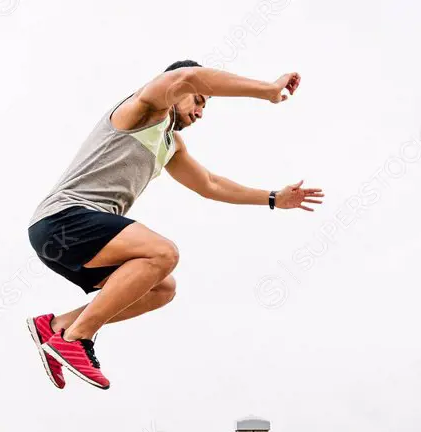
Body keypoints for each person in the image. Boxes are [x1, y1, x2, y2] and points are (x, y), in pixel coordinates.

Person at [26, 60, 324, 390]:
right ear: (178, 92)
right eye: (198, 100)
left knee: (162, 288)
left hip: (73, 239)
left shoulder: (170, 144)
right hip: (62, 220)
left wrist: (273, 198)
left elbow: (210, 183)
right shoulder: (143, 109)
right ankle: (78, 336)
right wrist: (266, 89)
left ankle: (57, 326)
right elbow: (189, 76)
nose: (200, 113)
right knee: (162, 253)